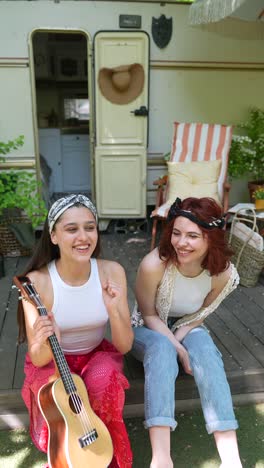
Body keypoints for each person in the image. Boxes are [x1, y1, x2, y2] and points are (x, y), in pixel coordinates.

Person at [17, 194, 134, 468]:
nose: (83, 237)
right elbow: (39, 358)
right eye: (72, 229)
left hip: (95, 354)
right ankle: (68, 454)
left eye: (90, 227)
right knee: (57, 398)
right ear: (54, 236)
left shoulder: (112, 272)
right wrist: (50, 340)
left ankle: (100, 450)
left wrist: (115, 310)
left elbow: (125, 345)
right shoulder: (37, 283)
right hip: (53, 361)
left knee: (102, 379)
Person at [131, 197, 242, 468]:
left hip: (188, 323)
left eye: (192, 236)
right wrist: (177, 348)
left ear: (211, 239)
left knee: (206, 352)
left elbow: (203, 312)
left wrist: (182, 336)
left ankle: (231, 460)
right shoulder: (153, 265)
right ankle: (161, 458)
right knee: (162, 349)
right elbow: (148, 316)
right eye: (177, 233)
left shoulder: (223, 274)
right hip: (147, 328)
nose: (181, 243)